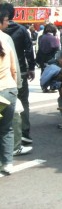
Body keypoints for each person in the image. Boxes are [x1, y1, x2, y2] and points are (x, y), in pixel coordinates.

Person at [0, 3, 36, 146]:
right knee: (23, 103)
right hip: (18, 71)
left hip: (4, 76)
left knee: (6, 108)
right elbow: (29, 50)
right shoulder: (21, 30)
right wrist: (32, 68)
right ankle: (24, 133)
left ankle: (10, 139)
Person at [0, 12, 19, 175]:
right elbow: (14, 69)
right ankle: (7, 163)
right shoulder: (5, 41)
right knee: (6, 128)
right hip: (8, 91)